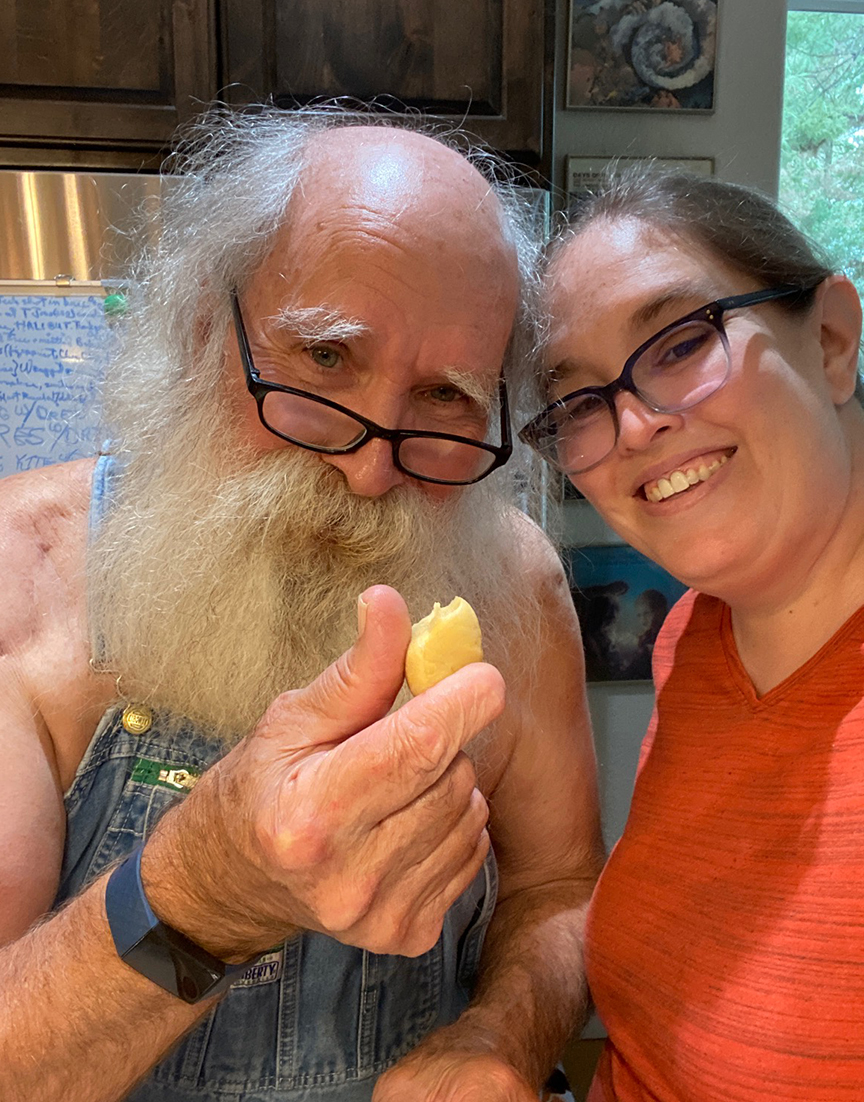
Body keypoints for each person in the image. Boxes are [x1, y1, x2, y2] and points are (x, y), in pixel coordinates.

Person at [0, 110, 602, 1102]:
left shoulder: (516, 581)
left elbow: (559, 886)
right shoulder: (25, 579)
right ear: (203, 327)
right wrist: (202, 897)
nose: (370, 469)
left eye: (448, 398)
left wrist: (503, 1034)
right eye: (326, 361)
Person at [519, 164, 864, 1100]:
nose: (632, 427)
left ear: (831, 340)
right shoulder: (691, 640)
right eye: (580, 405)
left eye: (678, 343)